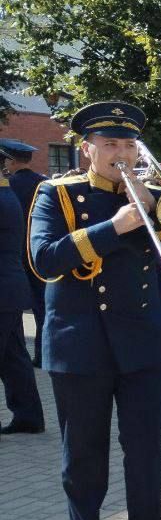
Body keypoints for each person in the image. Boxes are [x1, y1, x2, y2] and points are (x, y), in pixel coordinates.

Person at [28, 102, 161, 520]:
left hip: (144, 344)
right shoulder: (57, 194)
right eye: (110, 144)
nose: (121, 154)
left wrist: (155, 212)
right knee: (84, 450)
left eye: (129, 145)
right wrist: (115, 226)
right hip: (82, 344)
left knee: (146, 447)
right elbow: (44, 260)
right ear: (87, 148)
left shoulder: (151, 195)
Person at [0, 164, 43, 434]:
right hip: (10, 291)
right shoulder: (7, 194)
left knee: (13, 357)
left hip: (3, 291)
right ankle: (29, 417)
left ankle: (29, 416)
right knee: (13, 358)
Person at [0, 139, 49, 367]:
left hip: (15, 255)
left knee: (15, 315)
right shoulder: (44, 183)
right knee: (42, 308)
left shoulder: (8, 186)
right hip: (39, 254)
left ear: (9, 161)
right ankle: (43, 354)